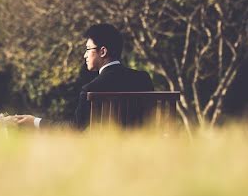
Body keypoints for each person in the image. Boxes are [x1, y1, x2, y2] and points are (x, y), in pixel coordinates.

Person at [13, 23, 154, 130]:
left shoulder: (92, 88)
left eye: (88, 49)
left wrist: (35, 122)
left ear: (103, 51)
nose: (85, 55)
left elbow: (75, 129)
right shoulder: (143, 78)